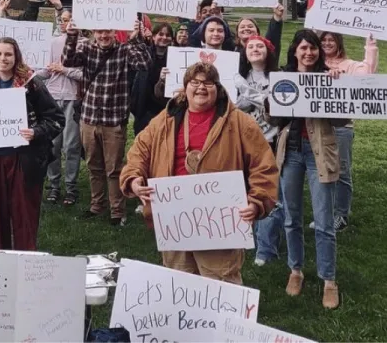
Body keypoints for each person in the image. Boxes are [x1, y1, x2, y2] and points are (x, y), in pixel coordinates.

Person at [120, 62, 278, 285]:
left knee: (221, 286)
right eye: (194, 82)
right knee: (180, 286)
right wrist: (134, 178)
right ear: (185, 88)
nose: (201, 87)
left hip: (220, 225)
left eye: (208, 83)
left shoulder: (239, 122)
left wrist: (257, 201)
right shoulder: (165, 121)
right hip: (174, 221)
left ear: (218, 88)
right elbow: (139, 151)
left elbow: (264, 165)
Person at [0, 38, 63, 251]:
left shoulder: (32, 84)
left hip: (24, 160)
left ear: (16, 57)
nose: (3, 59)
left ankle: (26, 260)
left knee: (24, 215)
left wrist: (36, 132)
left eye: (8, 54)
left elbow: (56, 119)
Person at [273, 29, 344, 309]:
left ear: (319, 52)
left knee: (324, 221)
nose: (308, 53)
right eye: (303, 48)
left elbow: (341, 120)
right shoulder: (283, 77)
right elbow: (274, 117)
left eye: (313, 48)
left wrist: (333, 89)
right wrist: (275, 97)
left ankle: (329, 280)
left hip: (318, 153)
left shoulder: (330, 77)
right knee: (291, 217)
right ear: (295, 51)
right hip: (290, 153)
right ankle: (296, 271)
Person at [62, 21, 152, 226]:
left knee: (114, 169)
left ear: (114, 32)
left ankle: (117, 211)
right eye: (100, 31)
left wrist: (135, 39)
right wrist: (72, 35)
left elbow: (144, 64)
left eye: (108, 31)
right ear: (94, 32)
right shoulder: (85, 48)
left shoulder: (124, 50)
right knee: (94, 166)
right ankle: (97, 205)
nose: (104, 35)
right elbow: (67, 61)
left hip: (113, 121)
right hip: (89, 118)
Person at [320, 31, 378, 232]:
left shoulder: (350, 65)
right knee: (322, 172)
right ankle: (326, 215)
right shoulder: (315, 64)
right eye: (324, 40)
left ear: (339, 43)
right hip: (318, 128)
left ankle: (341, 215)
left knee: (342, 172)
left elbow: (368, 74)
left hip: (342, 127)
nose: (327, 43)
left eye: (331, 40)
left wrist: (370, 44)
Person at [233, 35, 283, 266]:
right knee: (243, 193)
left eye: (260, 46)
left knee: (268, 194)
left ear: (268, 51)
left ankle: (266, 248)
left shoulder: (279, 77)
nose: (254, 49)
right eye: (250, 46)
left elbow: (275, 108)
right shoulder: (237, 76)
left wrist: (247, 93)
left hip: (270, 143)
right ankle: (243, 238)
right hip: (243, 143)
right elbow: (232, 107)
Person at [34, 0, 83, 206]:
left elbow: (85, 74)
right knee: (52, 145)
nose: (67, 23)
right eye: (63, 19)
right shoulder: (52, 43)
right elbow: (45, 71)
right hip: (52, 99)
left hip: (73, 99)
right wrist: (30, 72)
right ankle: (54, 185)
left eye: (71, 19)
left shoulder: (86, 45)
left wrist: (65, 70)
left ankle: (71, 188)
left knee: (71, 145)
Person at [131, 23, 173, 137]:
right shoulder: (144, 54)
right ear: (153, 36)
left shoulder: (176, 58)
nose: (164, 38)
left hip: (166, 110)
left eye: (168, 35)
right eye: (160, 34)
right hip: (145, 109)